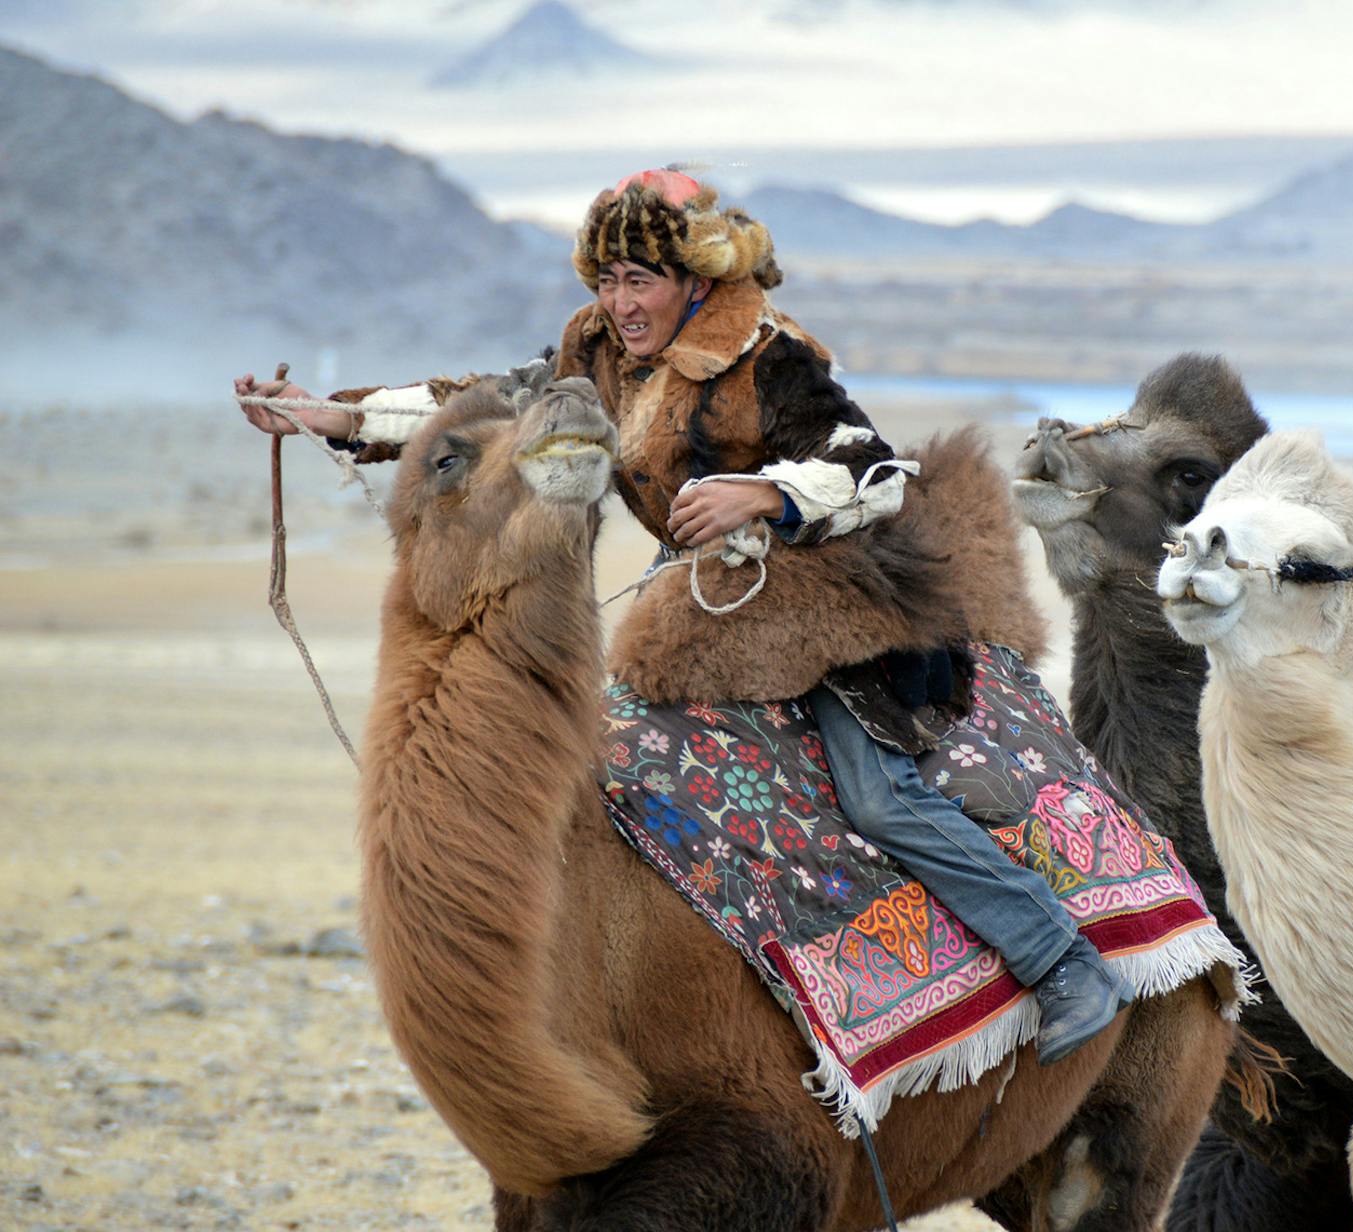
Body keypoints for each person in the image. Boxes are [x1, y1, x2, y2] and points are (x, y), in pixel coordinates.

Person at [234, 168, 1129, 1064]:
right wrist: (331, 416)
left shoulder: (768, 358)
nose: (622, 302)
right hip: (714, 605)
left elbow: (873, 472)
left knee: (875, 796)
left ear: (694, 280)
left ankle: (1061, 962)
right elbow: (477, 407)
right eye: (608, 280)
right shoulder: (596, 353)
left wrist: (763, 495)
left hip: (837, 595)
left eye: (642, 280)